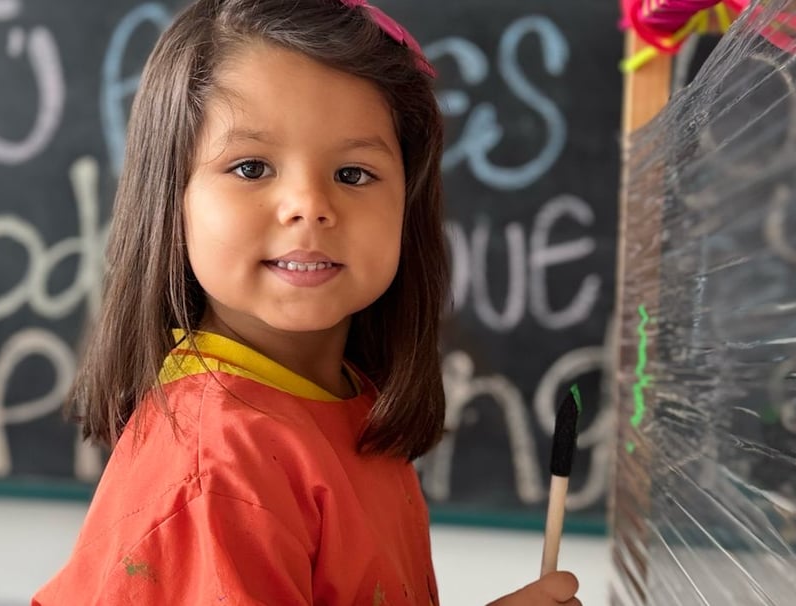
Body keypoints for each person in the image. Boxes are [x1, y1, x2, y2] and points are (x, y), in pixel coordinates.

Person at [32, 0, 580, 604]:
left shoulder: (348, 397)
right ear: (172, 199)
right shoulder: (218, 468)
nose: (308, 204)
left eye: (353, 174)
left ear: (409, 205)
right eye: (250, 167)